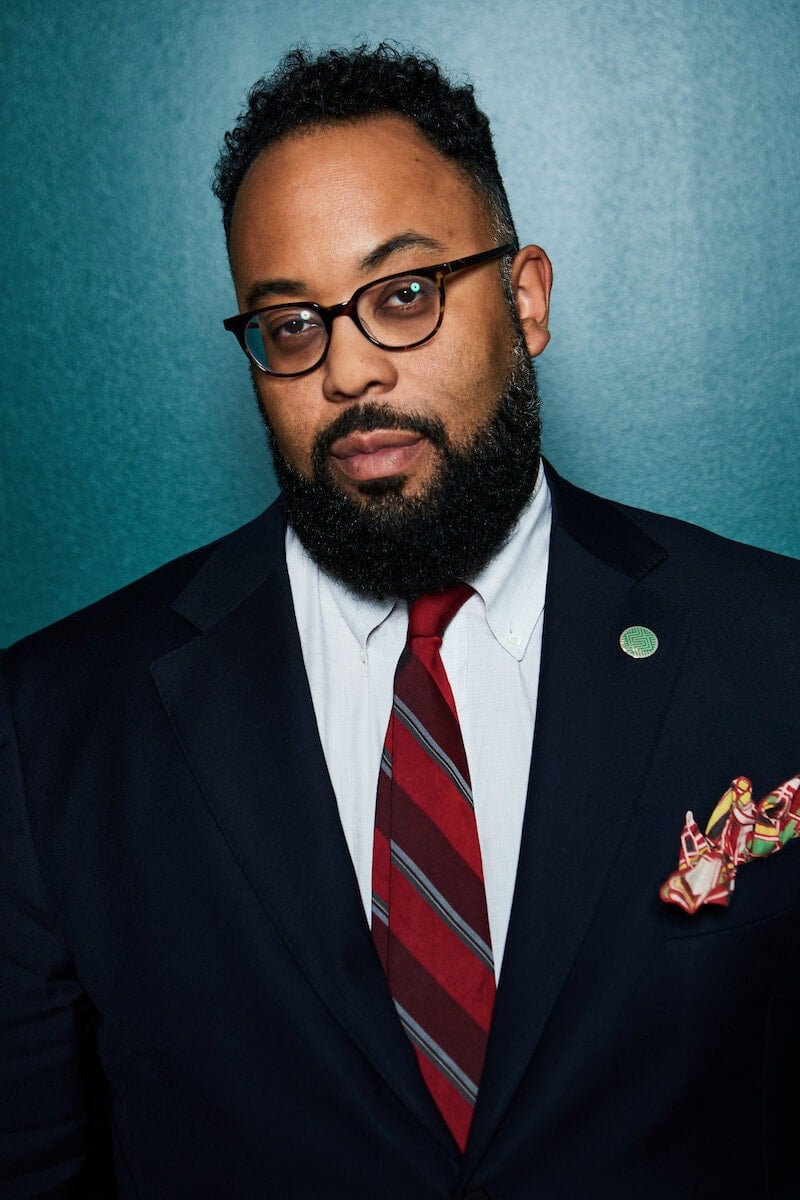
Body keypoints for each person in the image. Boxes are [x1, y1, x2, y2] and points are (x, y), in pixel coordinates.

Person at [1, 43, 798, 1199]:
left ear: (523, 299)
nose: (351, 372)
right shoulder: (57, 723)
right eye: (289, 324)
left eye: (404, 296)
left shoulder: (771, 652)